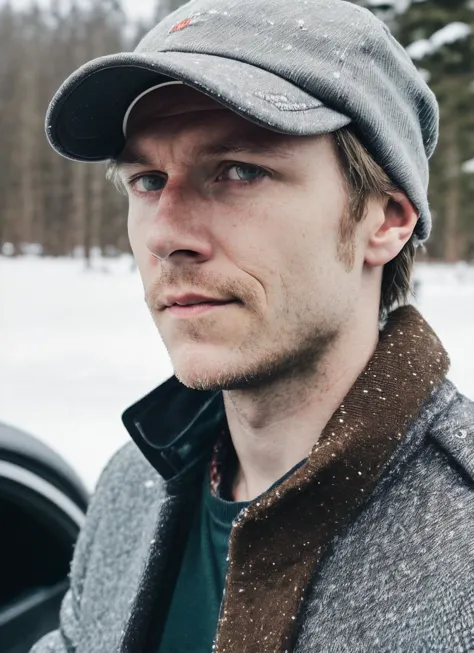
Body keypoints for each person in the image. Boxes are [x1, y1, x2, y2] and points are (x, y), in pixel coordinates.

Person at [32, 0, 474, 651]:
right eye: (148, 180)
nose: (167, 235)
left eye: (240, 171)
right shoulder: (132, 484)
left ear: (386, 219)